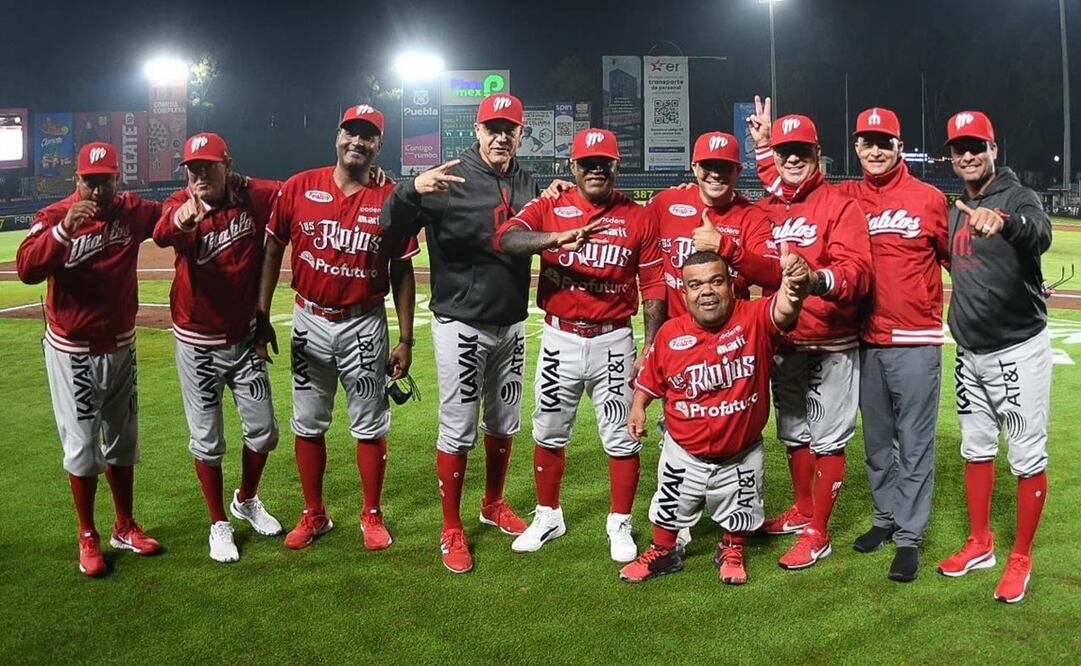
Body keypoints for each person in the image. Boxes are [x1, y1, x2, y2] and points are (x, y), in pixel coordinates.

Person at [750, 99, 951, 581]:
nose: (877, 149)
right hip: (866, 336)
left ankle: (909, 536)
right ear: (856, 147)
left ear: (900, 146)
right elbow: (787, 189)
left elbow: (956, 258)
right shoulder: (849, 196)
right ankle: (885, 519)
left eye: (886, 141)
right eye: (868, 142)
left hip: (915, 337)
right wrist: (762, 146)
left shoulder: (928, 197)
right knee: (879, 444)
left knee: (914, 444)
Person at [493, 128, 665, 563]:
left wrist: (649, 347)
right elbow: (507, 239)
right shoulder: (551, 204)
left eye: (603, 163)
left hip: (613, 338)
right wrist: (555, 238)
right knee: (548, 430)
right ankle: (549, 514)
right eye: (587, 163)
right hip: (560, 336)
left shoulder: (638, 216)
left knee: (622, 435)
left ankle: (619, 521)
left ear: (615, 167)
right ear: (572, 167)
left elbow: (654, 287)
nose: (595, 170)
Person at [380, 93, 535, 573]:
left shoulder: (526, 181)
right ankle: (451, 526)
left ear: (521, 133)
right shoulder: (449, 178)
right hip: (461, 324)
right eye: (492, 127)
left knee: (505, 421)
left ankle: (492, 504)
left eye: (509, 127)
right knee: (459, 426)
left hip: (511, 323)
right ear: (477, 129)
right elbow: (389, 229)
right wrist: (411, 190)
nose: (501, 135)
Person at [254, 104, 418, 552]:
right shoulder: (299, 186)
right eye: (351, 132)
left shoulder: (390, 198)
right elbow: (272, 250)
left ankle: (371, 513)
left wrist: (405, 338)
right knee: (308, 424)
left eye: (368, 137)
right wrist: (262, 313)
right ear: (337, 135)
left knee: (369, 424)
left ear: (378, 145)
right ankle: (314, 514)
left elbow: (403, 270)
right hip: (308, 319)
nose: (358, 142)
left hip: (364, 323)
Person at [619, 247, 814, 583]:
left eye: (716, 281)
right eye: (695, 285)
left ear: (730, 284)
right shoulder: (669, 333)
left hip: (741, 451)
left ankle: (731, 547)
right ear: (685, 292)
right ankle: (663, 552)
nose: (706, 291)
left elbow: (783, 309)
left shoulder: (754, 317)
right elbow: (652, 378)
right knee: (668, 505)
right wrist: (638, 407)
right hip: (684, 449)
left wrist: (794, 288)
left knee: (741, 510)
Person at [17, 142, 163, 576]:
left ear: (118, 180)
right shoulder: (52, 216)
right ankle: (87, 534)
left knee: (123, 439)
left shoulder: (131, 210)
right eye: (91, 181)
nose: (99, 190)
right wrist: (62, 231)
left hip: (120, 342)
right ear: (77, 181)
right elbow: (27, 269)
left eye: (106, 181)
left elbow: (169, 214)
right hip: (72, 349)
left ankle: (124, 525)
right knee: (82, 448)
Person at [745, 109, 873, 569]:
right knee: (794, 432)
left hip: (831, 340)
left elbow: (858, 273)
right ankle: (802, 511)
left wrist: (815, 279)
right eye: (785, 152)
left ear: (817, 154)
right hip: (785, 340)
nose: (793, 159)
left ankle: (819, 533)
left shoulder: (840, 206)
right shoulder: (770, 206)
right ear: (775, 157)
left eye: (802, 151)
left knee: (827, 440)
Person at [936, 110, 1052, 603]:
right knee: (975, 449)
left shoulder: (1016, 196)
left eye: (976, 146)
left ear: (993, 149)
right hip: (970, 351)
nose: (968, 155)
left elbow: (1038, 232)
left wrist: (1003, 222)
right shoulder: (953, 206)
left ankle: (1020, 557)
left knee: (1026, 458)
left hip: (1018, 348)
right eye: (959, 148)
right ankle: (980, 542)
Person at [153, 132, 283, 563]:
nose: (199, 175)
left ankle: (245, 500)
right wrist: (183, 221)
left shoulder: (253, 196)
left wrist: (365, 175)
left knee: (264, 433)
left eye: (208, 166)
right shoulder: (180, 205)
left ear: (227, 164)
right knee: (208, 442)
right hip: (197, 344)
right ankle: (218, 524)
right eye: (192, 168)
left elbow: (299, 192)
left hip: (245, 339)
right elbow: (163, 230)